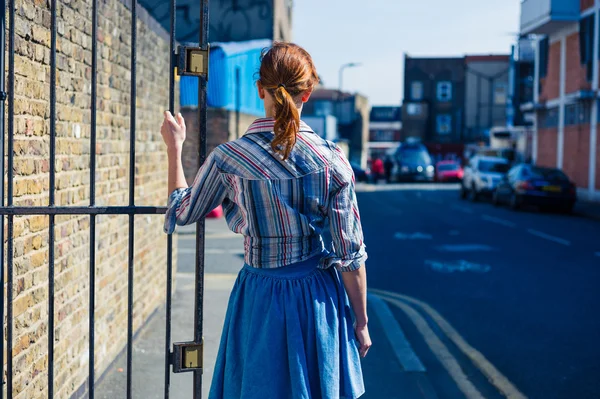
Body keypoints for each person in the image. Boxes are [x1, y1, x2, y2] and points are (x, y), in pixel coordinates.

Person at [161, 42, 370, 399]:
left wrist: (174, 148)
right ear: (307, 92)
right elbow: (350, 256)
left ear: (260, 89)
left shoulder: (228, 157)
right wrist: (361, 322)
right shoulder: (333, 161)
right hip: (315, 297)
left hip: (259, 294)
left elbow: (183, 211)